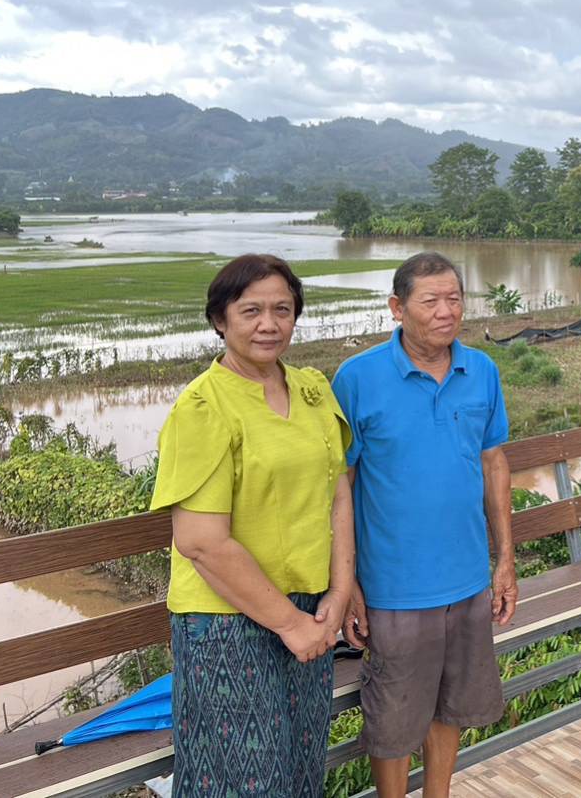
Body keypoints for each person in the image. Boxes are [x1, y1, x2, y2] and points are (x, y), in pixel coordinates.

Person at [150, 253, 354, 798]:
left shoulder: (312, 389)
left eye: (283, 310)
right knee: (242, 780)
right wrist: (290, 623)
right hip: (228, 624)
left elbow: (337, 492)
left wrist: (338, 590)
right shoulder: (203, 408)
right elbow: (201, 542)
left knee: (301, 766)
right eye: (252, 310)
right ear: (221, 319)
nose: (269, 324)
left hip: (309, 611)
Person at [333, 251, 519, 798]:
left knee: (452, 704)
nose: (446, 311)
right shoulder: (358, 378)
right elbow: (338, 486)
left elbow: (494, 465)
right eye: (430, 300)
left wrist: (504, 561)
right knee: (393, 719)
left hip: (466, 579)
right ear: (397, 307)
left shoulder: (481, 370)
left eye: (455, 299)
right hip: (394, 587)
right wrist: (348, 586)